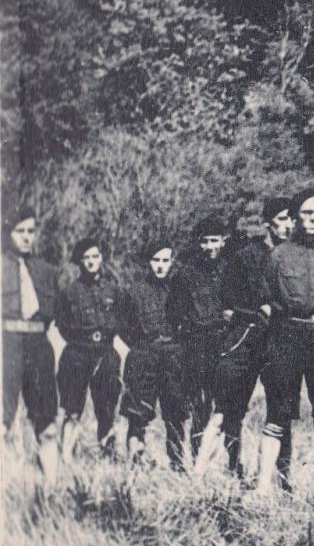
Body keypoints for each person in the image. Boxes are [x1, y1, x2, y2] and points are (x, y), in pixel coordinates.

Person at [255, 190, 314, 494]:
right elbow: (267, 299)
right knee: (279, 412)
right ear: (295, 217)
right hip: (288, 337)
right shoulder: (277, 256)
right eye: (307, 213)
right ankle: (262, 488)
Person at [212, 197, 296, 481]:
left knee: (281, 411)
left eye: (292, 219)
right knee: (232, 408)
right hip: (247, 339)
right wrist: (254, 312)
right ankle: (232, 468)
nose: (289, 224)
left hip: (281, 342)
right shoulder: (246, 256)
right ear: (268, 223)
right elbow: (225, 301)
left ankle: (282, 477)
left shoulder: (295, 257)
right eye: (283, 218)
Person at [2, 207, 60, 485]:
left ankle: (52, 488)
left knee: (47, 421)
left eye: (30, 231)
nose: (26, 237)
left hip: (39, 346)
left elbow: (58, 314)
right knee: (4, 420)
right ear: (8, 233)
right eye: (20, 231)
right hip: (6, 345)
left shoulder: (46, 271)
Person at [55, 237, 125, 462]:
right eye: (86, 257)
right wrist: (81, 340)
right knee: (73, 408)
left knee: (106, 408)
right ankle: (66, 457)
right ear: (80, 261)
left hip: (105, 352)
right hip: (77, 353)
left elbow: (123, 321)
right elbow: (62, 325)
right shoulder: (69, 292)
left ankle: (108, 455)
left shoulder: (114, 291)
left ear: (102, 258)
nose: (91, 261)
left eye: (95, 256)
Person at [118, 240, 186, 467]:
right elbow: (124, 326)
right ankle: (134, 462)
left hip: (173, 357)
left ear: (172, 262)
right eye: (156, 260)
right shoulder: (135, 291)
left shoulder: (179, 290)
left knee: (175, 413)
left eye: (165, 260)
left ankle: (177, 463)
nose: (160, 265)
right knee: (138, 413)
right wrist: (143, 346)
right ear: (149, 262)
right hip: (144, 356)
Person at [171, 214, 229, 469]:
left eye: (214, 240)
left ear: (223, 242)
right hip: (195, 346)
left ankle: (224, 462)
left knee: (225, 405)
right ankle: (198, 461)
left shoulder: (230, 271)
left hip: (223, 344)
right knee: (197, 407)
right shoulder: (185, 275)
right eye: (204, 241)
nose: (209, 246)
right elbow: (175, 313)